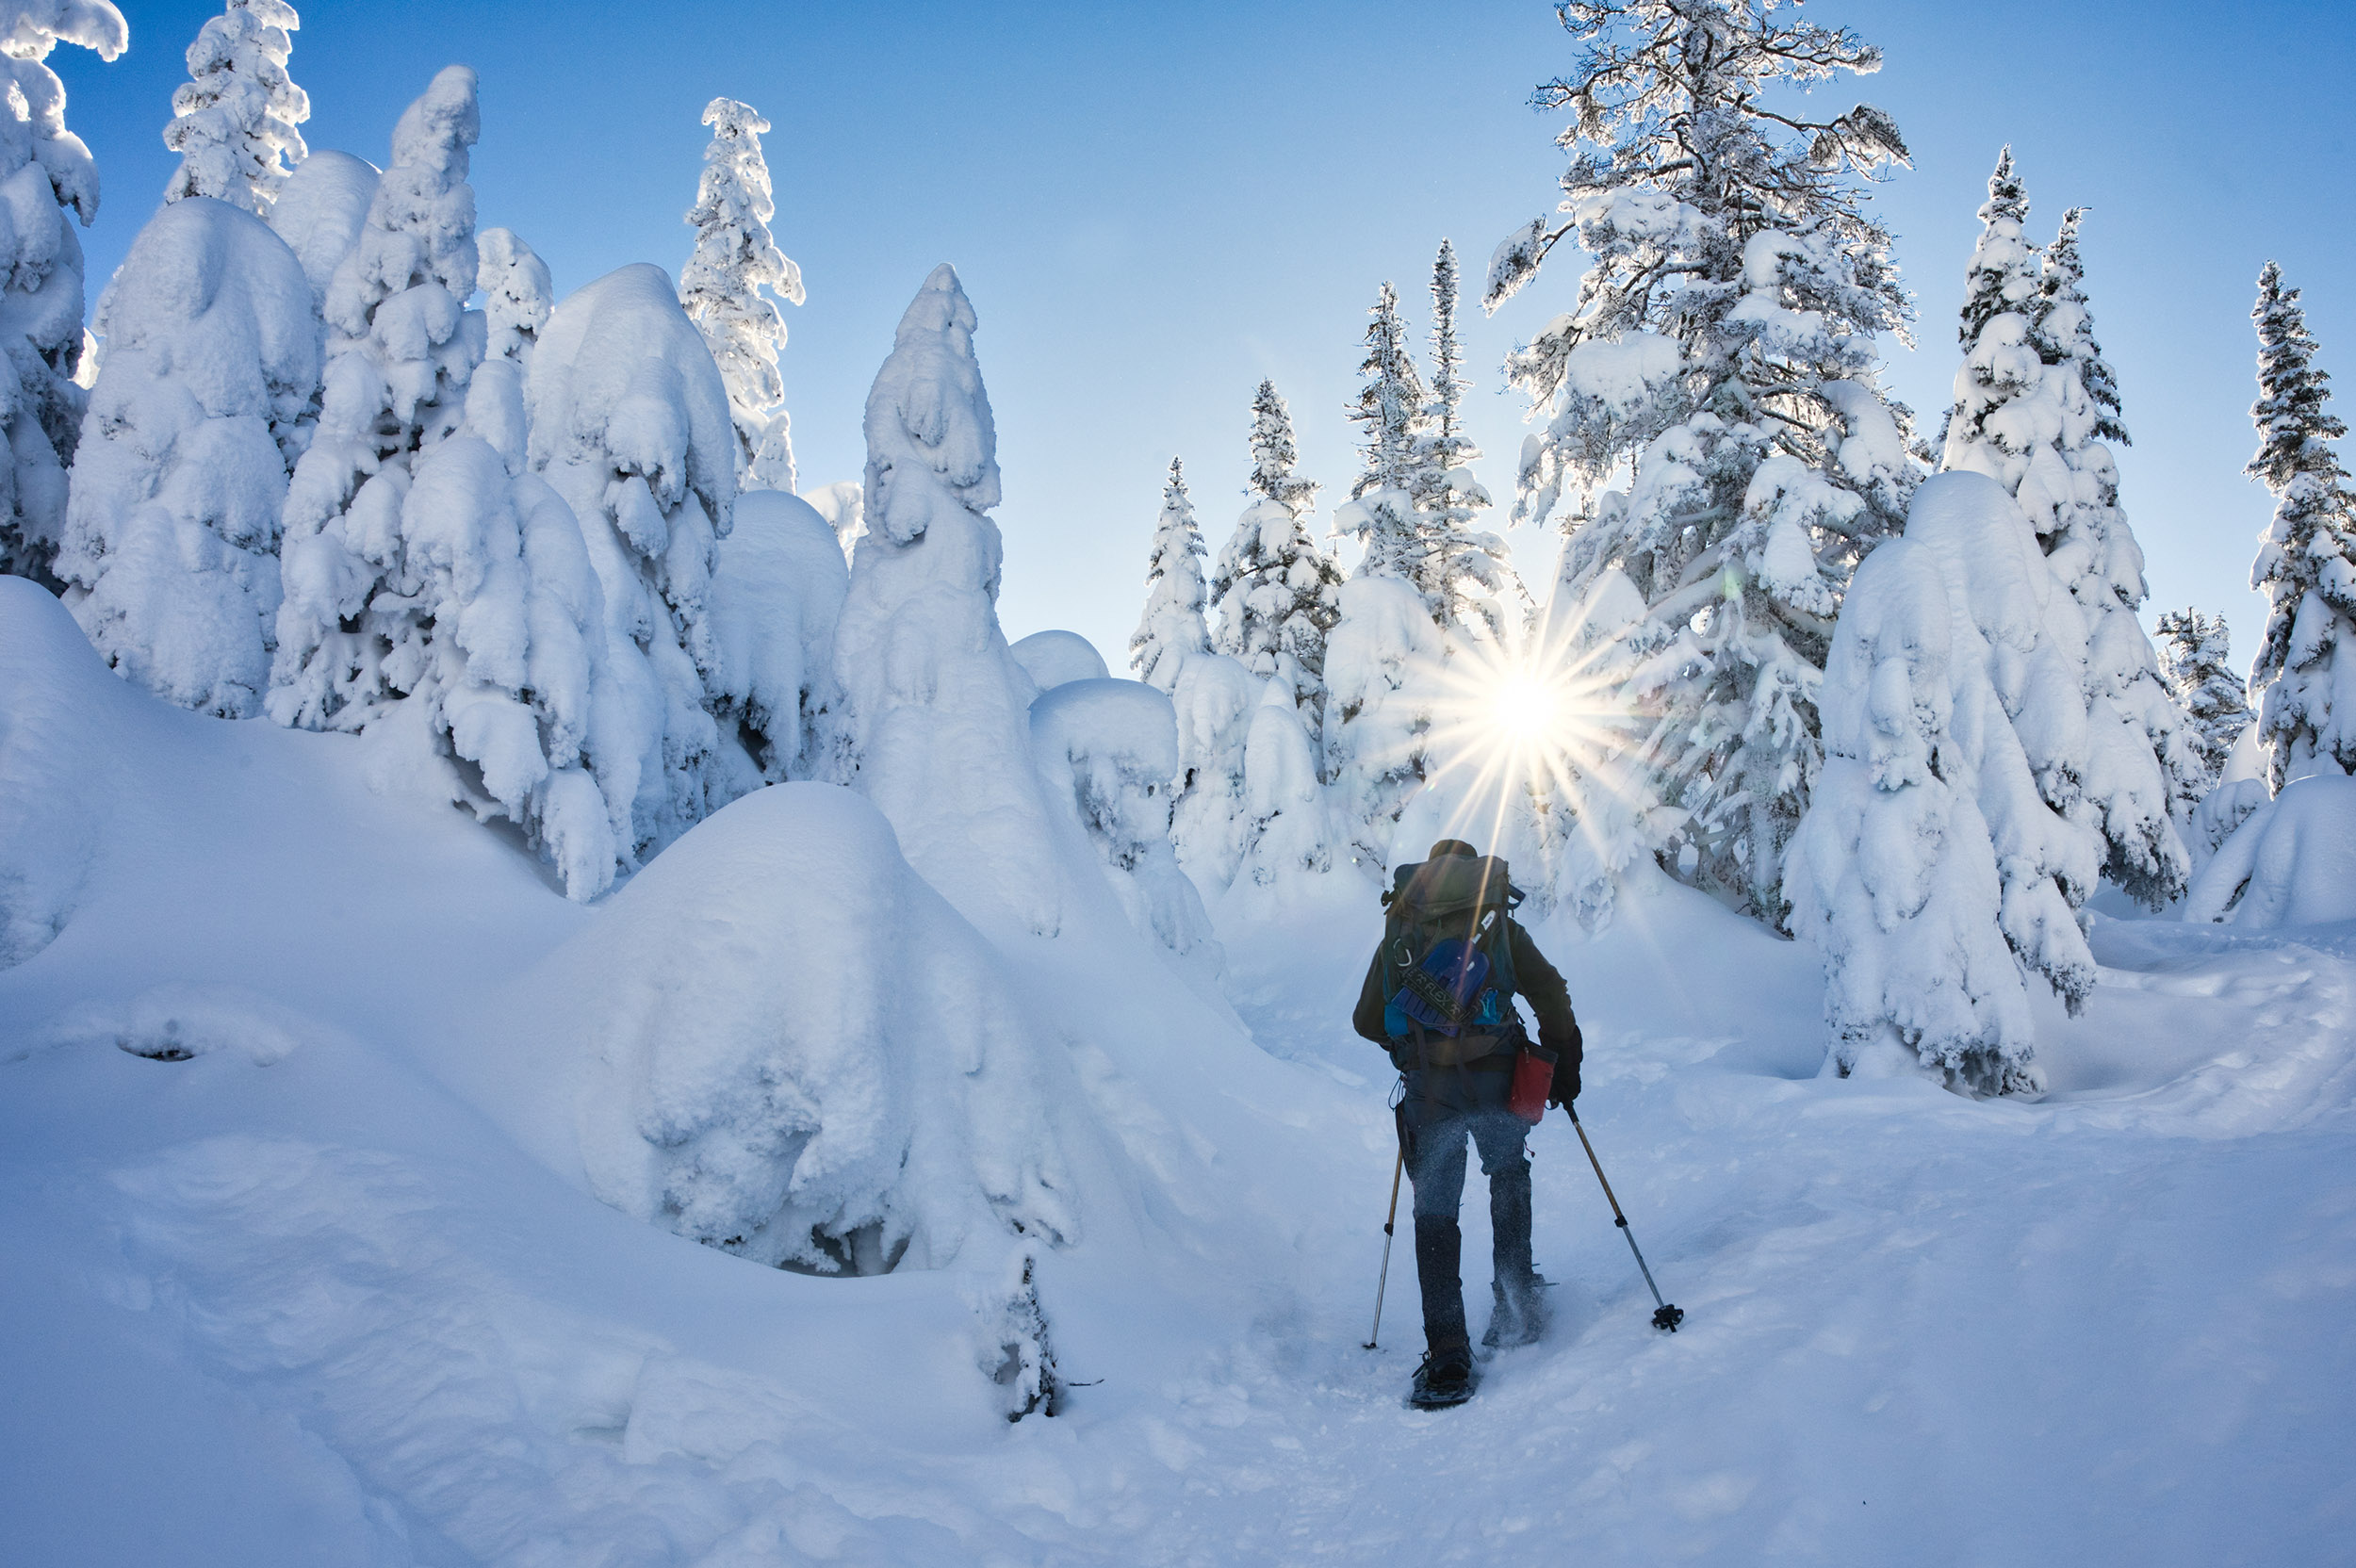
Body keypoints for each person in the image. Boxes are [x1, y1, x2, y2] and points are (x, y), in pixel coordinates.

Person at [1352, 839, 1582, 1408]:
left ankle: (1449, 1354)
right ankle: (1515, 1304)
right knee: (1507, 1175)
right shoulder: (1496, 923)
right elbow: (1551, 994)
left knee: (1435, 1211)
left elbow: (1364, 1020)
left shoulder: (1401, 928)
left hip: (1431, 1092)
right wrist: (1564, 1060)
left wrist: (1410, 1045)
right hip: (1501, 1079)